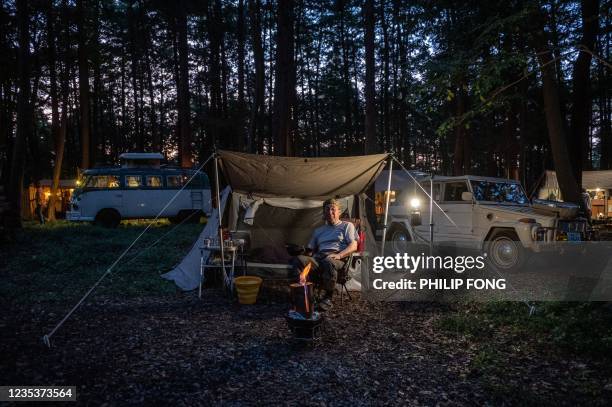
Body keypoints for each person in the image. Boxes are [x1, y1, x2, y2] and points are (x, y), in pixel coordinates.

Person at [294, 198, 358, 310]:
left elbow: (353, 246)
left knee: (329, 261)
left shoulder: (347, 226)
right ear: (324, 213)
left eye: (333, 209)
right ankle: (305, 293)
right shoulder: (318, 231)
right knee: (298, 259)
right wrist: (300, 251)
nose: (330, 212)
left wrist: (339, 255)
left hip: (338, 259)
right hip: (319, 259)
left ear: (339, 212)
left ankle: (328, 297)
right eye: (327, 210)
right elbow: (310, 250)